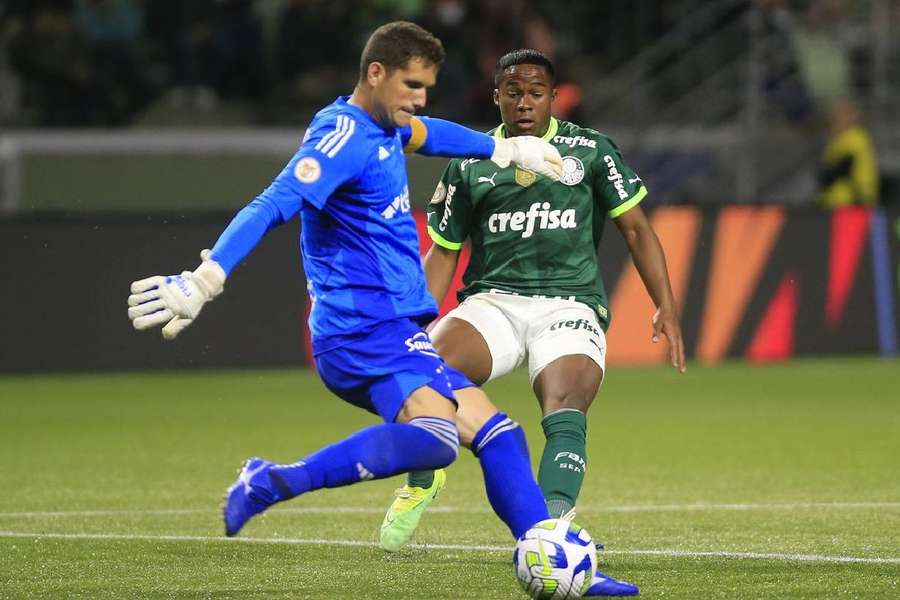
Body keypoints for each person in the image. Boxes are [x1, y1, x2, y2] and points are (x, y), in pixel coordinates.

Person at [125, 21, 564, 571]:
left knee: (500, 436)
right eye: (411, 85)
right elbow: (274, 201)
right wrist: (205, 278)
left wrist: (503, 149)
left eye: (426, 86)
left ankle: (548, 558)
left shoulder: (388, 126)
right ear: (375, 74)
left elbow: (428, 134)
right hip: (360, 330)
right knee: (435, 439)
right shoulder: (341, 137)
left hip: (396, 329)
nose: (419, 99)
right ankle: (274, 481)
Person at [379, 48, 688, 596]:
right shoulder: (472, 162)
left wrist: (666, 302)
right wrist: (413, 323)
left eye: (536, 93)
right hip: (493, 303)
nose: (525, 103)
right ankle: (424, 476)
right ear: (497, 96)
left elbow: (637, 229)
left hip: (569, 306)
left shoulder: (591, 152)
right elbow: (444, 253)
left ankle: (548, 533)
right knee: (421, 368)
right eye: (513, 93)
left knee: (566, 406)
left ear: (553, 96)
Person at [817, 98, 879, 209]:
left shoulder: (855, 137)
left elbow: (842, 167)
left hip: (852, 201)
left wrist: (826, 174)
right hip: (838, 201)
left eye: (839, 116)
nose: (834, 120)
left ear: (852, 117)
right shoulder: (838, 140)